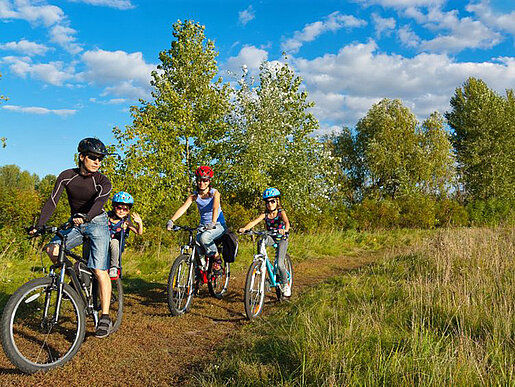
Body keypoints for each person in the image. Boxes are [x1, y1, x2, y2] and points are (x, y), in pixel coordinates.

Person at [29, 138, 114, 338]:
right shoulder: (66, 176)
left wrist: (87, 216)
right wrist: (40, 226)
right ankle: (75, 281)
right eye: (93, 157)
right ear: (82, 156)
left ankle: (104, 316)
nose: (97, 162)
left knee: (100, 269)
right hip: (75, 222)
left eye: (100, 159)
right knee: (52, 249)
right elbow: (52, 201)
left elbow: (100, 201)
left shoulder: (102, 181)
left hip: (98, 222)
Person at [166, 166, 227, 273]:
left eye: (205, 180)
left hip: (218, 224)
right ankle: (199, 272)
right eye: (199, 180)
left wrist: (213, 222)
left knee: (204, 238)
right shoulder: (194, 196)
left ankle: (217, 258)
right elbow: (183, 208)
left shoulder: (215, 193)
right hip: (203, 226)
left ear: (209, 181)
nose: (202, 183)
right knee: (196, 242)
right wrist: (172, 220)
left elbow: (215, 207)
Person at [238, 187, 291, 297]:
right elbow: (254, 222)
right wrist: (244, 228)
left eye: (272, 201)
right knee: (261, 240)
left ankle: (286, 285)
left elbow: (287, 222)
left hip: (281, 238)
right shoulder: (265, 215)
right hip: (271, 237)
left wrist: (285, 230)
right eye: (267, 202)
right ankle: (261, 261)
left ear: (277, 201)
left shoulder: (281, 212)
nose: (270, 204)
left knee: (280, 263)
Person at [108, 191, 143, 278]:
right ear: (114, 207)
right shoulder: (106, 217)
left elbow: (139, 232)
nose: (121, 211)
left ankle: (114, 267)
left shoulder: (126, 222)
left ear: (128, 211)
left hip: (116, 244)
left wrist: (140, 223)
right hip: (102, 241)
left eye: (125, 209)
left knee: (114, 242)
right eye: (119, 208)